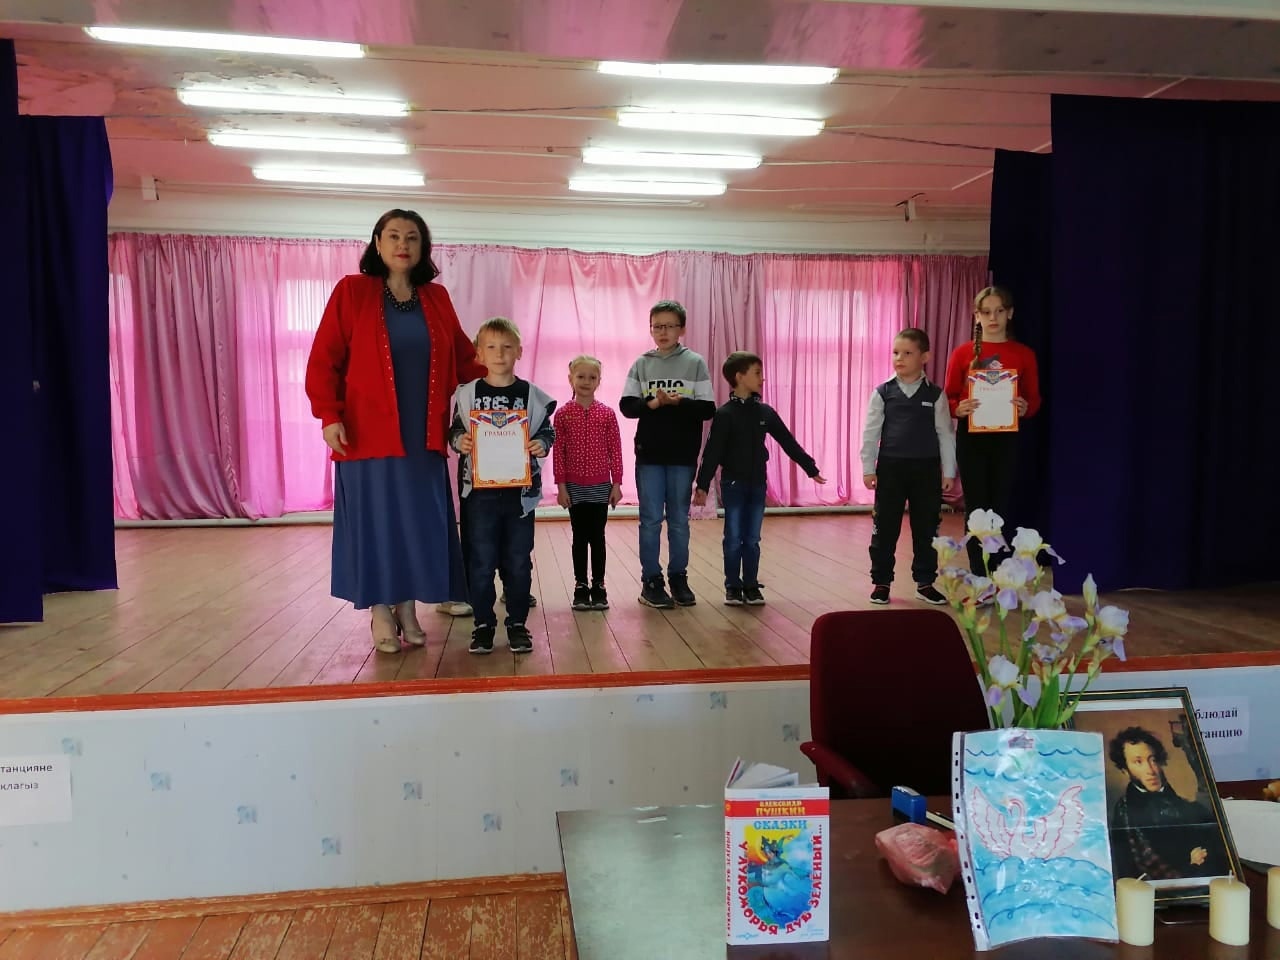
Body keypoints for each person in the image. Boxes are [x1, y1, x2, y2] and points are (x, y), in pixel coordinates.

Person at [305, 209, 484, 655]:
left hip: (423, 437)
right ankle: (381, 609)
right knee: (377, 524)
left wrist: (505, 385)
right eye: (394, 236)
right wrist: (329, 415)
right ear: (378, 243)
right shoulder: (352, 291)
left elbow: (465, 359)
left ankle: (407, 606)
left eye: (412, 237)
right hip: (365, 435)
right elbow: (324, 359)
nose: (403, 244)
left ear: (423, 247)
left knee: (417, 524)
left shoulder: (436, 298)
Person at [449, 318, 555, 655]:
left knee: (518, 560)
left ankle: (517, 624)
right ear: (479, 353)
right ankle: (483, 624)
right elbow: (454, 432)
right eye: (491, 347)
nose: (499, 354)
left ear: (519, 352)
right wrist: (460, 441)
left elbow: (546, 431)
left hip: (519, 496)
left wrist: (541, 443)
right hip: (479, 496)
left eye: (507, 347)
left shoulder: (531, 395)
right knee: (480, 561)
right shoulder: (467, 394)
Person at [693, 352, 825, 606]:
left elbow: (787, 441)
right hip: (733, 484)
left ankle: (751, 585)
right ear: (739, 377)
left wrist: (810, 468)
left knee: (752, 538)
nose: (762, 379)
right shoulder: (725, 414)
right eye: (757, 373)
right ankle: (733, 586)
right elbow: (712, 452)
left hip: (757, 483)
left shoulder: (765, 412)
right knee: (734, 537)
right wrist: (702, 484)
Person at [620, 300, 716, 609]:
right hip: (649, 454)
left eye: (669, 326)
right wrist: (652, 403)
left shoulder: (695, 362)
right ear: (650, 329)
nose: (662, 332)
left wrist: (678, 403)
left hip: (682, 454)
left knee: (678, 521)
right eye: (657, 326)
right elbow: (627, 406)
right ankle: (651, 580)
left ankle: (678, 577)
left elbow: (707, 409)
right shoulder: (642, 363)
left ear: (681, 329)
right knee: (650, 520)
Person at [943, 286, 1041, 574]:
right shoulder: (962, 353)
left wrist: (1025, 407)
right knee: (976, 507)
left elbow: (1034, 399)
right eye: (986, 312)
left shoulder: (1024, 354)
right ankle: (979, 574)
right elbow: (948, 397)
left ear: (1010, 313)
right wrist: (958, 408)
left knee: (1000, 505)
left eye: (999, 311)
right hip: (972, 439)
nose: (993, 318)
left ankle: (997, 569)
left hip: (1007, 438)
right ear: (977, 316)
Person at [860, 328, 956, 605]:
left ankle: (925, 582)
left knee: (927, 527)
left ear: (924, 357)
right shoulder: (883, 392)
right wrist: (868, 467)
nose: (899, 358)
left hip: (926, 471)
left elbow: (945, 434)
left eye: (907, 353)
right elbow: (871, 433)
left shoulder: (935, 395)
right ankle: (881, 582)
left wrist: (948, 471)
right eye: (895, 353)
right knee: (885, 526)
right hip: (891, 469)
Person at [1107, 726, 1228, 880]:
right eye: (1138, 762)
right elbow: (1131, 869)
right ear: (1125, 769)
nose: (1150, 770)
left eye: (1153, 760)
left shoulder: (1185, 806)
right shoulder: (1124, 812)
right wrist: (1189, 863)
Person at [553, 355, 623, 611]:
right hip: (574, 487)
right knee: (579, 536)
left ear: (599, 381)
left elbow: (615, 450)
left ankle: (599, 585)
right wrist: (561, 487)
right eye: (580, 376)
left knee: (597, 536)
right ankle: (581, 585)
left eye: (592, 377)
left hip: (600, 486)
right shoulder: (563, 414)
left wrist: (617, 483)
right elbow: (558, 452)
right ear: (570, 379)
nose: (586, 381)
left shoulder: (607, 414)